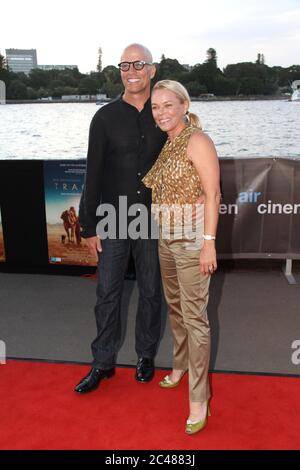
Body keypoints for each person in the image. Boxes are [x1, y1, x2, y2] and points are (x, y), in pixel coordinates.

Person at [74, 44, 166, 394]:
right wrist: (88, 225)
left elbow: (185, 160)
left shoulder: (165, 113)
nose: (132, 70)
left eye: (138, 64)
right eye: (125, 64)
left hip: (153, 218)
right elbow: (92, 172)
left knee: (151, 292)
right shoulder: (105, 117)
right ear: (120, 71)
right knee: (107, 293)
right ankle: (102, 362)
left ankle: (145, 356)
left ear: (151, 70)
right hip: (112, 217)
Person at [143, 80, 221, 434]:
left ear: (184, 105)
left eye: (168, 105)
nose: (161, 112)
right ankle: (178, 365)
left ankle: (199, 397)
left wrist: (208, 242)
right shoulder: (169, 142)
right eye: (156, 107)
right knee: (174, 307)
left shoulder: (197, 140)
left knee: (195, 317)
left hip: (192, 242)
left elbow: (213, 193)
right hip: (166, 238)